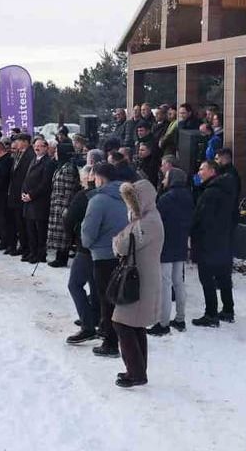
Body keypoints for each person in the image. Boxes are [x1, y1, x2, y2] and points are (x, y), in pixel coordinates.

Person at [111, 179, 165, 388]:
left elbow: (122, 245)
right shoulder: (149, 218)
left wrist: (118, 238)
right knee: (135, 325)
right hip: (142, 278)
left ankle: (136, 373)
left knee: (122, 323)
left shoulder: (147, 222)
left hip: (139, 280)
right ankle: (138, 370)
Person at [82, 163, 130, 358]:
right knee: (118, 298)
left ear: (100, 178)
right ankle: (120, 337)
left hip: (103, 254)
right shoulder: (126, 196)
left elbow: (88, 232)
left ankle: (110, 343)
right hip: (124, 253)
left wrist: (87, 243)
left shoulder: (98, 200)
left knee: (106, 299)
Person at [191, 160, 238, 327]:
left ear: (212, 171)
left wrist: (193, 233)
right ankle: (228, 309)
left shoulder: (210, 192)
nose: (199, 172)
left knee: (207, 278)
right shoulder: (228, 190)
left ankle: (211, 313)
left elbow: (200, 218)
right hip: (225, 240)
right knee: (224, 276)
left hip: (208, 242)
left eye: (201, 169)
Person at [64, 155, 103, 345]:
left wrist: (73, 237)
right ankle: (97, 318)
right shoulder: (113, 195)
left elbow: (69, 219)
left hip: (86, 248)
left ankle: (88, 325)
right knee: (95, 285)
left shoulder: (84, 196)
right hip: (105, 249)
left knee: (75, 284)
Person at [151, 168, 193, 336]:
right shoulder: (188, 196)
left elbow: (156, 220)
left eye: (166, 177)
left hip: (166, 244)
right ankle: (180, 319)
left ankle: (163, 323)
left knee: (165, 284)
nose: (163, 181)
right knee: (178, 282)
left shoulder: (166, 198)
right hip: (181, 242)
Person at [21, 138, 56, 264]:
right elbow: (26, 178)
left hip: (39, 202)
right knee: (30, 229)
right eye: (36, 145)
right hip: (28, 200)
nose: (37, 148)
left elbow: (45, 184)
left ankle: (40, 254)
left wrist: (31, 195)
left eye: (40, 146)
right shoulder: (33, 159)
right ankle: (32, 252)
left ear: (46, 148)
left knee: (40, 230)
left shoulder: (48, 163)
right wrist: (23, 192)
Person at [47, 145, 80, 267]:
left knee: (62, 232)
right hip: (56, 202)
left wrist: (65, 207)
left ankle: (62, 258)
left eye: (57, 151)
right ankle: (59, 256)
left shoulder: (69, 169)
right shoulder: (61, 166)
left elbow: (69, 190)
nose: (55, 153)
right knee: (58, 232)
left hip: (62, 204)